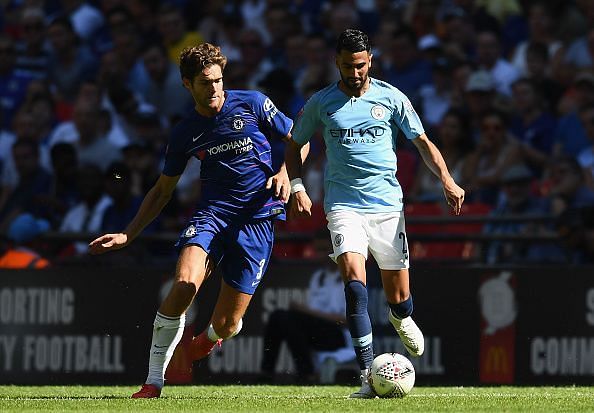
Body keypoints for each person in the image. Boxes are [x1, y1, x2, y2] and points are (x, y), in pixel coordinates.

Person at [89, 43, 304, 399]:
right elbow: (161, 191)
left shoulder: (251, 102)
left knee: (228, 323)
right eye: (206, 83)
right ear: (187, 84)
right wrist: (129, 235)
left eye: (219, 80)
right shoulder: (184, 132)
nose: (215, 89)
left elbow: (299, 138)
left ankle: (210, 338)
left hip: (257, 220)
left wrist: (287, 174)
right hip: (213, 215)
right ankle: (153, 381)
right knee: (186, 283)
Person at [284, 29, 465, 398]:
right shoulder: (321, 102)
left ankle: (401, 317)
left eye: (361, 65)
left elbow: (423, 142)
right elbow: (294, 143)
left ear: (371, 61)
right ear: (337, 62)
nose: (355, 73)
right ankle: (367, 373)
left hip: (387, 207)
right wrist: (299, 185)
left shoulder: (391, 97)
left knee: (398, 296)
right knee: (354, 280)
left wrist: (447, 179)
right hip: (343, 204)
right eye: (348, 66)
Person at [260, 230, 353, 383]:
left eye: (324, 250)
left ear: (335, 249)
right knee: (281, 318)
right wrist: (306, 313)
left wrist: (306, 311)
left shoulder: (350, 277)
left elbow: (347, 320)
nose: (320, 255)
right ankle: (268, 373)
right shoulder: (318, 277)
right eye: (318, 250)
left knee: (286, 319)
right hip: (319, 331)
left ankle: (305, 374)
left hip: (340, 336)